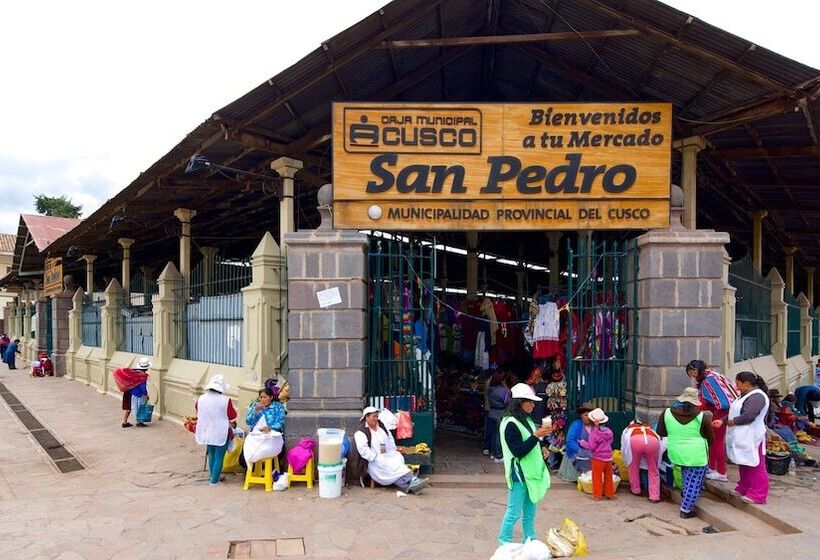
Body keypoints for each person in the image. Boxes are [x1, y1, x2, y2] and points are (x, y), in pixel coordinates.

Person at [497, 383, 552, 545]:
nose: (533, 405)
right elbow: (518, 451)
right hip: (518, 474)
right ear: (520, 402)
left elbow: (529, 439)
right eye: (530, 402)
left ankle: (530, 540)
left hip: (530, 473)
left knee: (530, 511)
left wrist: (542, 447)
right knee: (513, 512)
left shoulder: (526, 419)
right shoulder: (509, 423)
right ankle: (504, 542)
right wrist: (536, 436)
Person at [713, 371, 770, 505]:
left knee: (756, 464)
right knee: (744, 462)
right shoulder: (744, 396)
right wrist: (723, 420)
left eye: (738, 383)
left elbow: (749, 416)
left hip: (753, 436)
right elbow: (736, 412)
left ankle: (758, 494)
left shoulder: (757, 397)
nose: (736, 386)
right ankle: (744, 487)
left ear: (746, 383)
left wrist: (731, 422)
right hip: (742, 436)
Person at [657, 387, 714, 519]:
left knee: (686, 476)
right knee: (695, 481)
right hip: (697, 454)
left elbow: (661, 432)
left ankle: (686, 495)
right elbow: (710, 438)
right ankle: (686, 509)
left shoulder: (666, 413)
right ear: (695, 402)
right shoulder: (702, 417)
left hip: (677, 452)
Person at [353, 406, 429, 494]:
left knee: (397, 461)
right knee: (389, 468)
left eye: (377, 416)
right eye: (373, 416)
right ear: (366, 417)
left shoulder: (380, 424)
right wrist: (375, 457)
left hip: (388, 454)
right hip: (374, 461)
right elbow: (363, 450)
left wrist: (393, 449)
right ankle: (413, 479)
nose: (376, 419)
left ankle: (410, 486)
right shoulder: (360, 432)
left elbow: (390, 437)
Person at [686, 360, 737, 482]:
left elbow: (720, 401)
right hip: (724, 411)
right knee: (713, 440)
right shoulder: (712, 376)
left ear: (697, 370)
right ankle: (712, 467)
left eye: (692, 371)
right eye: (690, 372)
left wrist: (696, 407)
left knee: (716, 441)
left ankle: (721, 472)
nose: (691, 374)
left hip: (722, 412)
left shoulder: (708, 381)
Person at [195, 374, 238, 485]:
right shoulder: (225, 400)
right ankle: (214, 480)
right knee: (219, 456)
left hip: (206, 430)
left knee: (211, 454)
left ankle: (213, 476)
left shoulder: (201, 398)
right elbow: (232, 414)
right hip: (220, 431)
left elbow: (197, 409)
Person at [241, 387, 287, 469]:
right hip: (255, 435)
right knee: (246, 453)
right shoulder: (255, 406)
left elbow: (281, 422)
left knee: (271, 451)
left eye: (265, 397)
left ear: (271, 397)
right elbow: (248, 421)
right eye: (261, 397)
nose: (262, 400)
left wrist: (270, 428)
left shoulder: (278, 407)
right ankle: (252, 468)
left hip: (271, 435)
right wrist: (255, 411)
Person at [620, 420, 662, 503]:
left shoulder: (628, 430)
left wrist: (626, 460)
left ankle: (636, 490)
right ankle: (654, 496)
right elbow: (661, 445)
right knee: (653, 470)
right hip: (653, 442)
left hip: (635, 441)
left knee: (633, 467)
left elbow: (624, 446)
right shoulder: (650, 429)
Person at [580, 408, 616, 500]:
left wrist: (583, 443)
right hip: (608, 458)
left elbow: (591, 447)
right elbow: (611, 441)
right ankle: (610, 494)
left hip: (598, 458)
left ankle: (597, 495)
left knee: (597, 477)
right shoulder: (609, 432)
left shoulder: (594, 434)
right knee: (608, 477)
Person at [560, 401, 595, 482]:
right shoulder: (576, 425)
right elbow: (570, 441)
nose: (588, 418)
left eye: (590, 415)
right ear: (581, 415)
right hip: (576, 452)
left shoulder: (596, 426)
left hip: (592, 453)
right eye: (586, 415)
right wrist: (579, 450)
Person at [486, 365, 511, 463]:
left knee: (493, 434)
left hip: (491, 413)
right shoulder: (502, 391)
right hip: (500, 414)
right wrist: (505, 386)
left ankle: (493, 453)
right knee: (499, 435)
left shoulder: (490, 389)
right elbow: (508, 401)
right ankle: (498, 455)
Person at [119, 357, 151, 428]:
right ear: (147, 368)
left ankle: (125, 422)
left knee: (129, 408)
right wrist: (146, 395)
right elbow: (143, 387)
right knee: (139, 407)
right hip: (136, 394)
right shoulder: (142, 376)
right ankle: (139, 422)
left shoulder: (134, 372)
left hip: (129, 391)